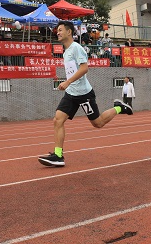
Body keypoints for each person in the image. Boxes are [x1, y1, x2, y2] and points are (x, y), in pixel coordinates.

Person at [38, 21, 133, 167]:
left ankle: (119, 107)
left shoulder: (76, 48)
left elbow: (84, 68)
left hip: (84, 94)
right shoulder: (66, 51)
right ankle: (58, 155)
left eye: (60, 30)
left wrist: (68, 81)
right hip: (71, 93)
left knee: (98, 123)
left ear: (69, 32)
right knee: (57, 120)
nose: (58, 32)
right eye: (57, 30)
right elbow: (73, 71)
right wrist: (66, 81)